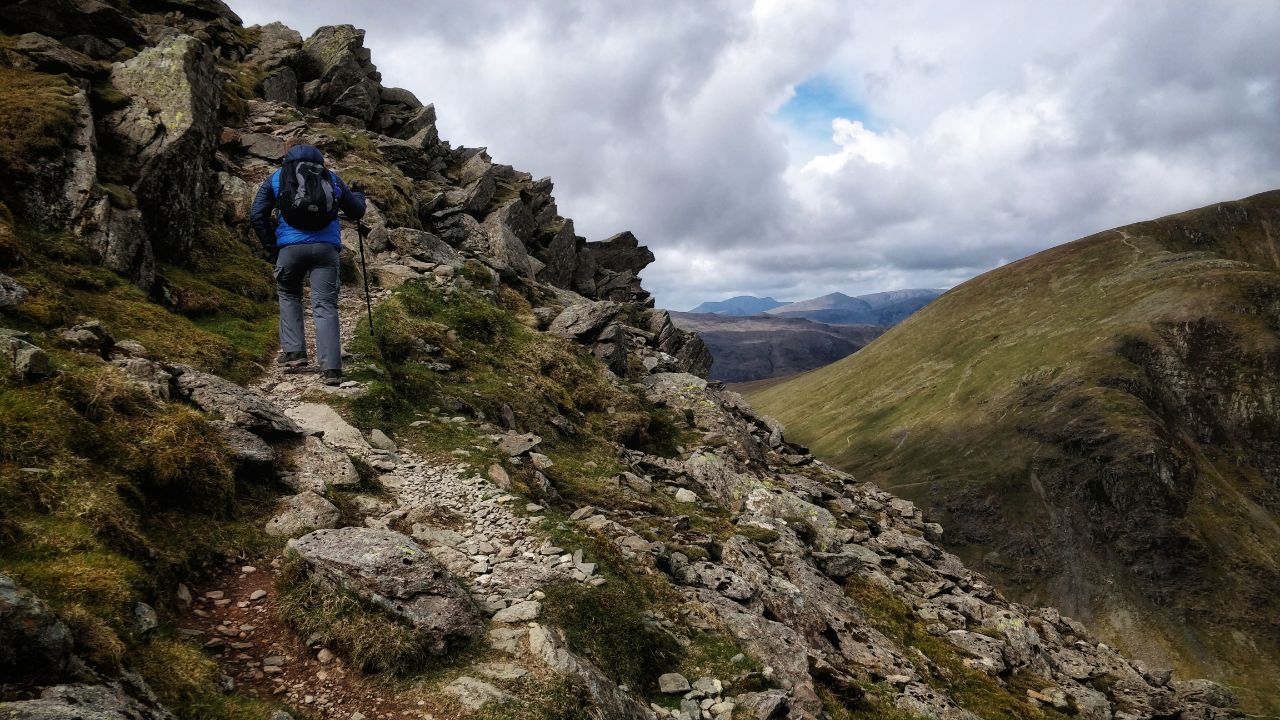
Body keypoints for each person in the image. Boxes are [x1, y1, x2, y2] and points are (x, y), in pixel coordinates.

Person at [250, 142, 366, 386]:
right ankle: (332, 369)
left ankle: (294, 354)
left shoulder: (277, 178)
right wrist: (358, 193)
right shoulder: (331, 178)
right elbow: (356, 212)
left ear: (287, 161)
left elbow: (257, 214)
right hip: (326, 250)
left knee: (289, 294)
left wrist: (272, 246)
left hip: (289, 249)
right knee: (325, 304)